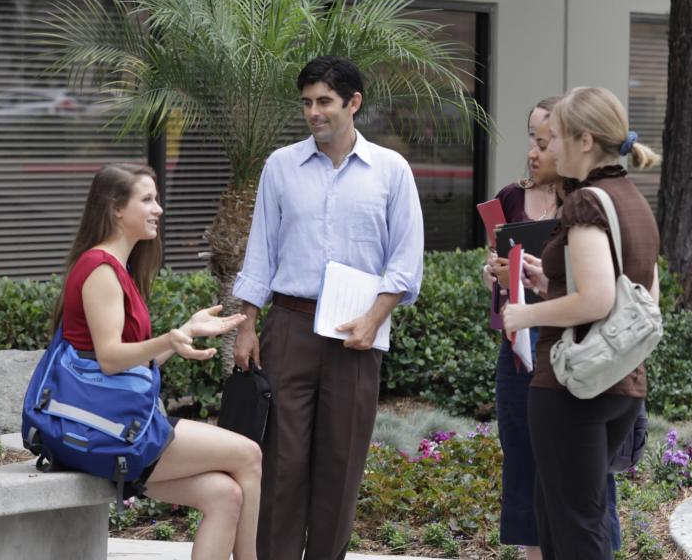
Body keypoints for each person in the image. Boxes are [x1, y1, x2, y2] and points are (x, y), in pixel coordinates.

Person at [232, 56, 424, 560]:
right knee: (281, 464)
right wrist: (247, 325)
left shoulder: (391, 171)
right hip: (289, 328)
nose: (313, 112)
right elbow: (260, 251)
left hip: (357, 335)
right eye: (306, 103)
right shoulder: (281, 166)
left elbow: (405, 261)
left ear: (353, 103)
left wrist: (374, 319)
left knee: (341, 466)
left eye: (324, 102)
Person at [54, 163, 261, 560]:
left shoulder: (118, 269)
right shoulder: (99, 270)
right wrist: (168, 338)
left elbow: (124, 369)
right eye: (147, 200)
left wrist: (185, 331)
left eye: (157, 199)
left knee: (225, 494)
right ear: (116, 209)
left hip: (121, 423)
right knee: (249, 454)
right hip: (111, 433)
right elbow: (111, 360)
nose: (158, 209)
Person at [502, 87, 661, 558]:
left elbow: (596, 299)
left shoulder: (586, 202)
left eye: (555, 139)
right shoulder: (631, 199)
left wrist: (525, 313)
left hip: (572, 388)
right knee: (567, 517)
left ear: (585, 141)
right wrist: (549, 283)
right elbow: (643, 296)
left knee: (572, 527)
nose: (548, 149)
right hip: (620, 385)